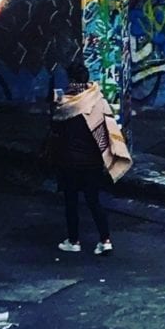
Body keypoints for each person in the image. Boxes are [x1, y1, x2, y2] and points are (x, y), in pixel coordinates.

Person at [44, 59, 118, 255]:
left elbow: (55, 127)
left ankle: (74, 240)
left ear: (70, 78)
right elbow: (107, 128)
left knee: (71, 202)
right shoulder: (98, 100)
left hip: (68, 161)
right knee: (94, 201)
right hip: (93, 161)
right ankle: (105, 239)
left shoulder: (63, 101)